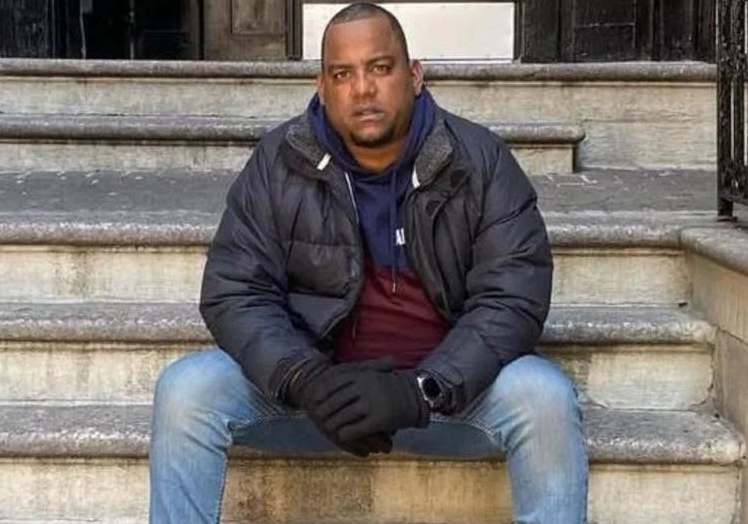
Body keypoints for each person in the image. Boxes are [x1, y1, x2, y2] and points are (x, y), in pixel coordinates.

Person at [148, 3, 588, 523]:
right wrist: (307, 381)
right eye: (343, 74)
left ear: (414, 75)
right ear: (322, 87)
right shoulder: (279, 162)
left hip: (448, 401)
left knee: (544, 397)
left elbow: (513, 297)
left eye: (379, 68)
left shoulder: (480, 161)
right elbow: (235, 291)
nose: (362, 89)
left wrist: (421, 389)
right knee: (187, 391)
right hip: (319, 402)